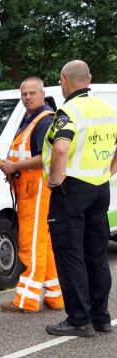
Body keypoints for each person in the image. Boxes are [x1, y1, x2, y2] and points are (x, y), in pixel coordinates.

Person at [43, 60, 117, 337]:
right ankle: (101, 317)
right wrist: (106, 171)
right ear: (89, 78)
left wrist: (54, 180)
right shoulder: (107, 109)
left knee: (69, 253)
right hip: (99, 188)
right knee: (96, 254)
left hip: (72, 190)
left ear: (64, 80)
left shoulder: (69, 111)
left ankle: (78, 319)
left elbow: (61, 149)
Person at [0, 77, 64, 313]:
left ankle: (26, 300)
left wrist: (15, 167)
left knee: (31, 244)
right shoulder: (29, 119)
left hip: (36, 190)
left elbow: (44, 158)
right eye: (24, 93)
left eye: (32, 93)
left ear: (42, 93)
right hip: (29, 189)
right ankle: (56, 297)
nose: (27, 97)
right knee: (43, 244)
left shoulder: (43, 121)